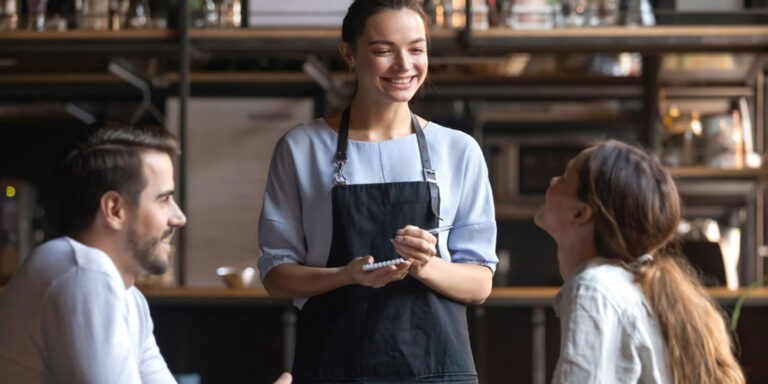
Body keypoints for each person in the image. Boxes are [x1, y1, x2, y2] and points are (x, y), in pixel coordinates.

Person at [258, 0, 497, 382]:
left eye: (416, 49)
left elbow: (480, 283)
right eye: (384, 50)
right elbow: (276, 275)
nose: (404, 65)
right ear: (349, 54)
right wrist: (346, 275)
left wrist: (424, 265)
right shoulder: (302, 147)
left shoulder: (458, 150)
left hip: (436, 369)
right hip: (332, 366)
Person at [534, 140, 745, 384]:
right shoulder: (627, 285)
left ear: (580, 213)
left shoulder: (594, 289)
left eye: (563, 178)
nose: (552, 181)